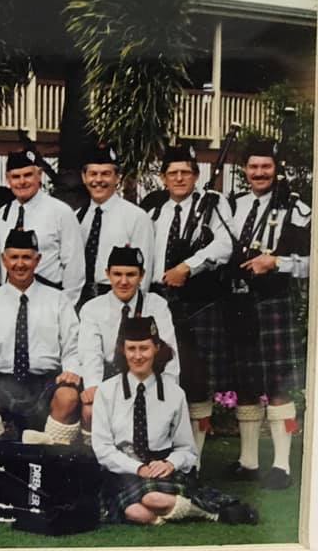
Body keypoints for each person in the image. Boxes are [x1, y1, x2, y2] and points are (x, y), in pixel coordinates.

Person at [92, 317, 257, 526]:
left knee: (152, 499)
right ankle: (200, 512)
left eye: (144, 348)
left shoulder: (174, 393)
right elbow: (103, 449)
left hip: (162, 470)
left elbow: (186, 449)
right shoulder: (106, 391)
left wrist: (170, 464)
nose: (138, 356)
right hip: (123, 471)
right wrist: (138, 468)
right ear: (122, 351)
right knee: (137, 512)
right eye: (131, 349)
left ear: (156, 348)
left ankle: (210, 513)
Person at [225, 140, 310, 489]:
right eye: (253, 166)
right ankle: (248, 462)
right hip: (238, 303)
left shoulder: (297, 208)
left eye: (266, 166)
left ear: (277, 168)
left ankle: (281, 465)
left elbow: (311, 263)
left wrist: (277, 262)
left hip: (274, 301)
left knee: (279, 386)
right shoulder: (233, 205)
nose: (259, 173)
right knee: (245, 384)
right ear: (244, 169)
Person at [145, 145, 233, 465]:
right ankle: (162, 451)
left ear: (196, 175)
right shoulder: (153, 208)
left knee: (197, 380)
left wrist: (187, 267)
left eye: (186, 172)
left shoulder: (214, 202)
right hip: (158, 300)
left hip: (198, 301)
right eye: (173, 173)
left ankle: (193, 460)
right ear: (163, 178)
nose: (179, 178)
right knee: (161, 375)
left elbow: (225, 245)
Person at [0, 229, 81, 444]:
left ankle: (50, 458)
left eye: (26, 257)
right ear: (4, 259)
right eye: (14, 257)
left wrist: (71, 371)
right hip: (1, 380)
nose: (20, 264)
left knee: (68, 396)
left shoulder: (58, 301)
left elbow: (72, 347)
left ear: (38, 260)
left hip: (46, 381)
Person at [77, 246, 178, 443]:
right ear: (107, 274)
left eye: (131, 275)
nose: (123, 281)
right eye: (117, 274)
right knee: (91, 410)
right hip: (107, 380)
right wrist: (93, 387)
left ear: (142, 276)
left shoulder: (156, 305)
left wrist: (166, 393)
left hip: (145, 380)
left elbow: (169, 354)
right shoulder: (92, 308)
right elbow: (90, 354)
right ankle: (93, 456)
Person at [0, 149, 85, 305]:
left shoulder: (60, 212)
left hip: (48, 301)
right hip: (8, 302)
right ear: (8, 179)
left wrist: (64, 306)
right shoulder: (2, 215)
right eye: (16, 177)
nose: (22, 182)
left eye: (27, 175)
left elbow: (74, 265)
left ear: (39, 175)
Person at [75, 146, 155, 309]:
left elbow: (143, 271)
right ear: (84, 177)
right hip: (80, 299)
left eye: (106, 174)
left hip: (117, 299)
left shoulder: (136, 217)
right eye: (93, 174)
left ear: (117, 178)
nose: (98, 180)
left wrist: (132, 310)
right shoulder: (77, 216)